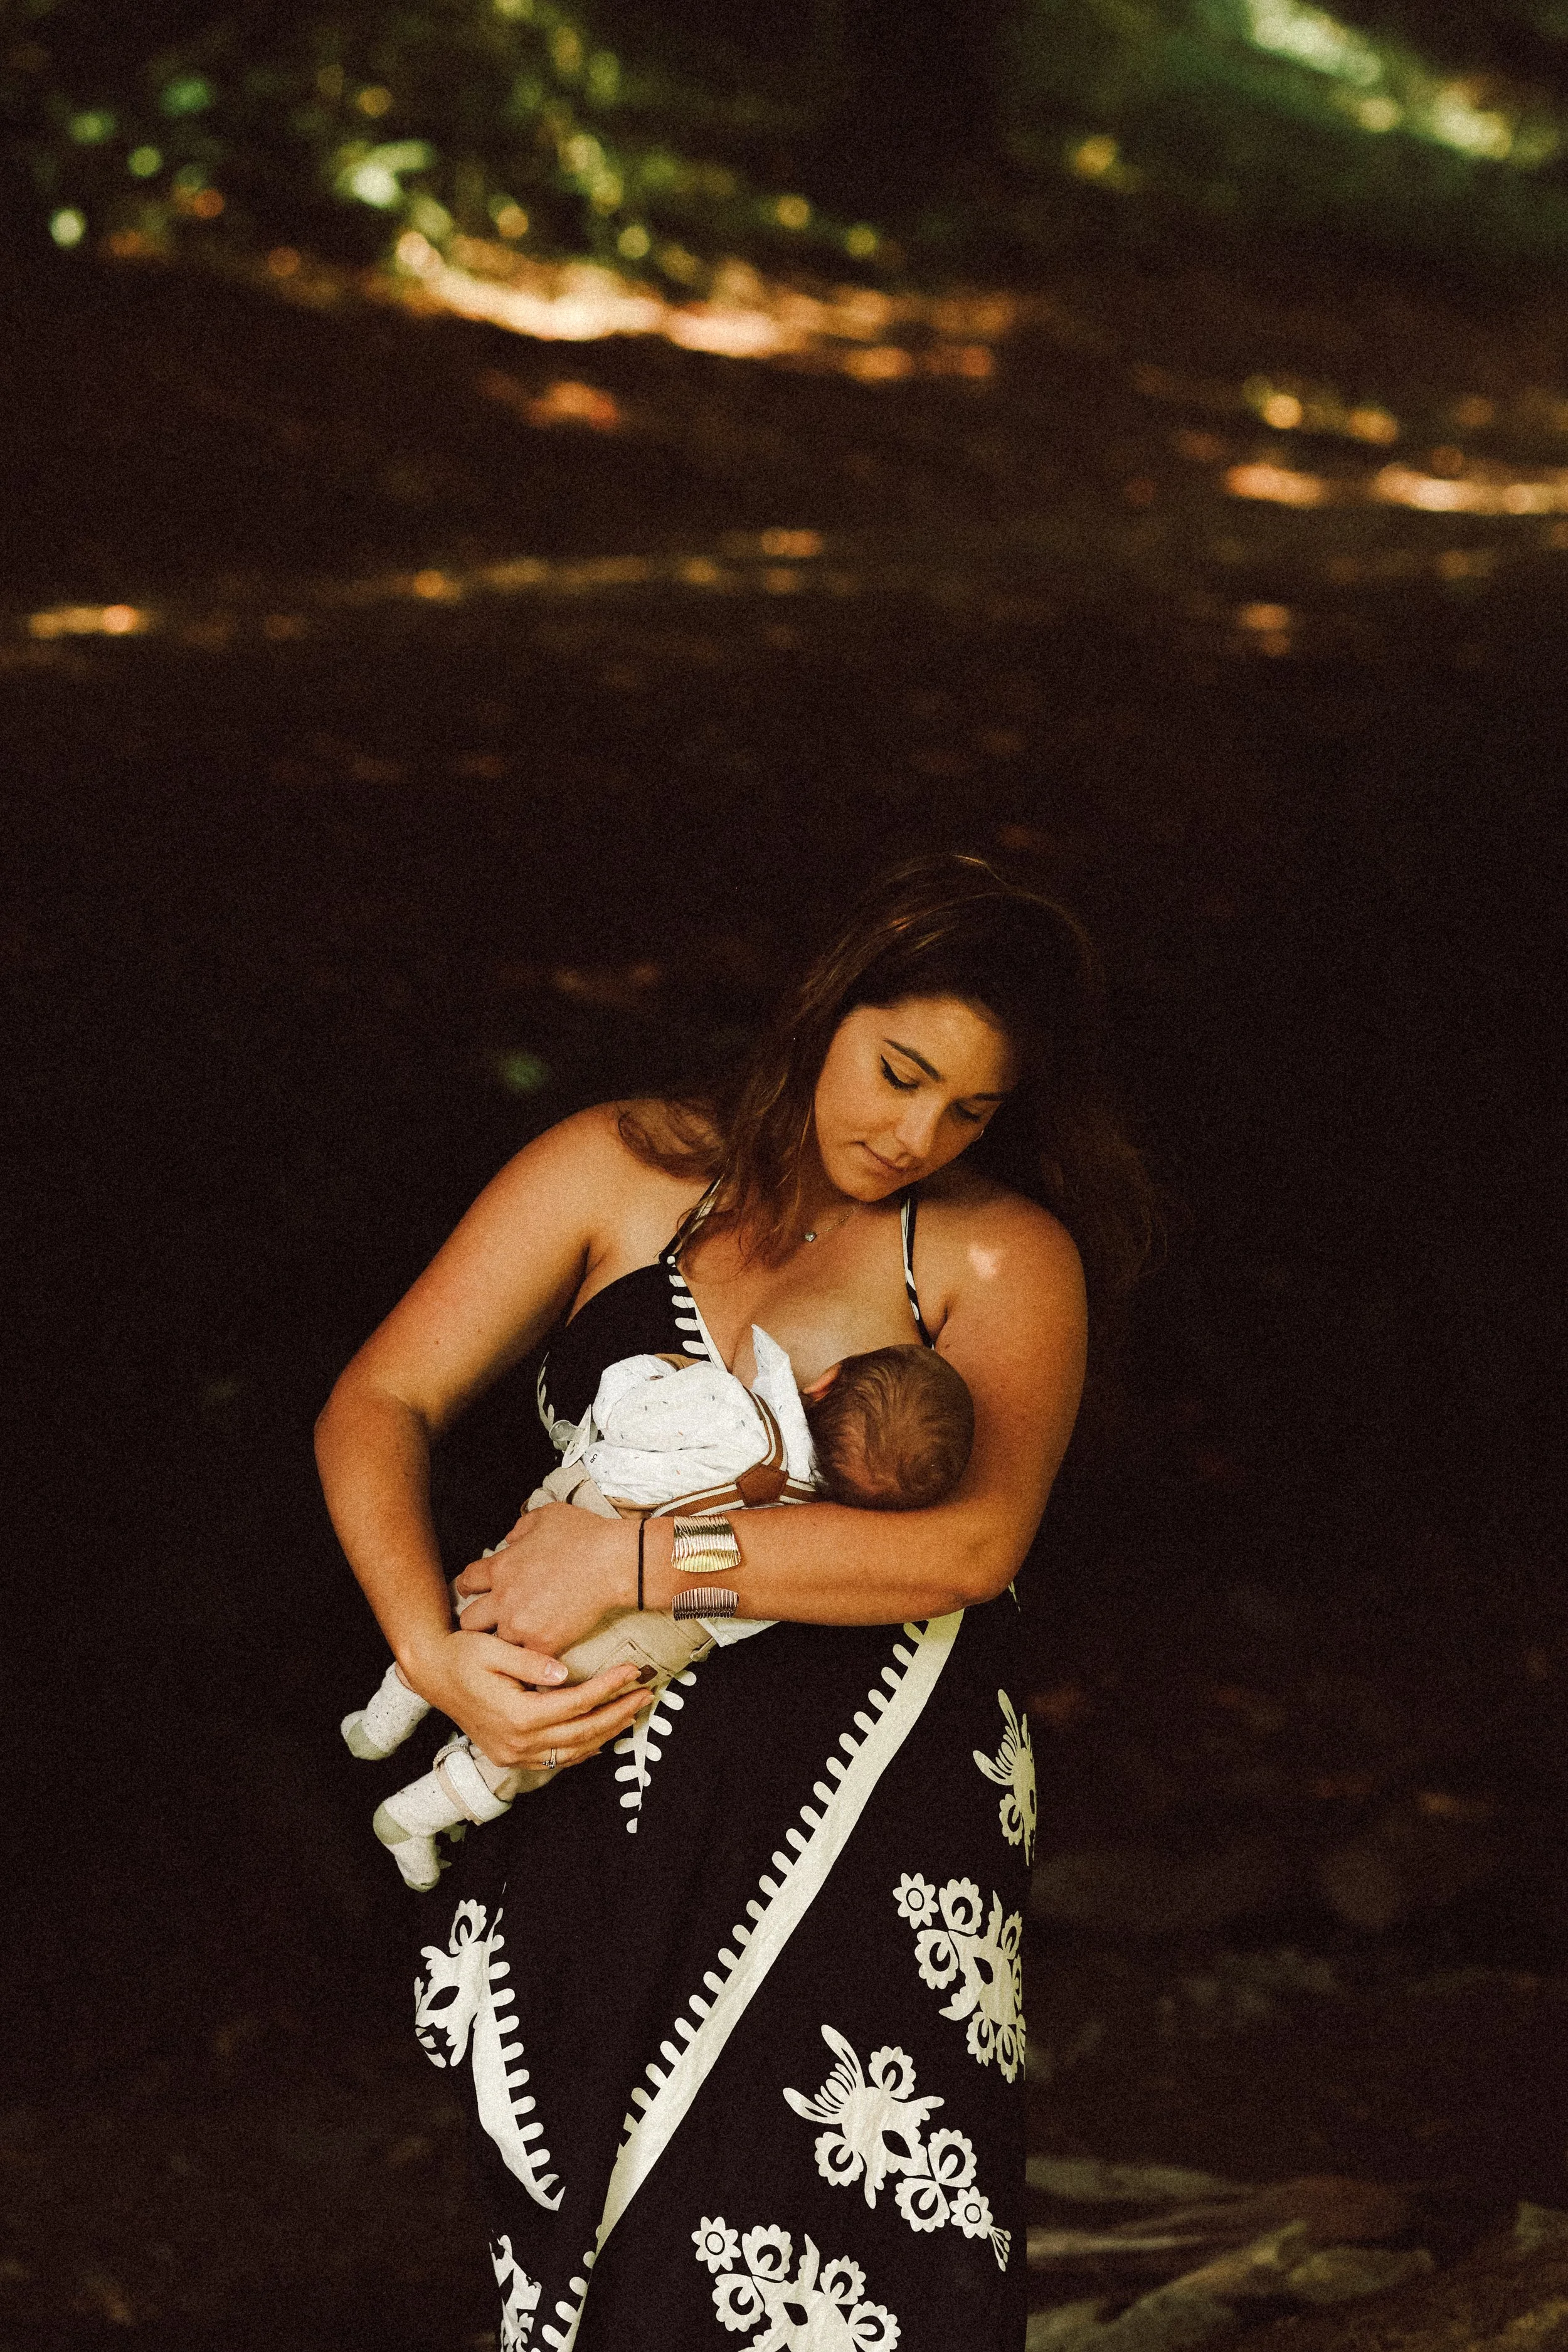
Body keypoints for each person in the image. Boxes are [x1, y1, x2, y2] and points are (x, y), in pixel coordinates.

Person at [315, 852, 1157, 2351]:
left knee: (867, 2256)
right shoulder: (610, 1168)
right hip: (590, 1783)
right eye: (899, 1072)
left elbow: (971, 1546)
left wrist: (640, 1559)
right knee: (604, 2251)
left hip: (874, 1820)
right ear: (828, 1003)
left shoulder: (999, 1250)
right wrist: (433, 1653)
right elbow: (380, 1398)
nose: (916, 1133)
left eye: (970, 1107)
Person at [344, 1333, 977, 1889]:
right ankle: (414, 1815)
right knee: (545, 1723)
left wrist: (666, 1368)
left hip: (578, 1513)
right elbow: (728, 1603)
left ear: (824, 1382)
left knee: (481, 1609)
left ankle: (385, 1716)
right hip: (646, 1635)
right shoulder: (814, 1539)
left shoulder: (732, 1412)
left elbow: (624, 1404)